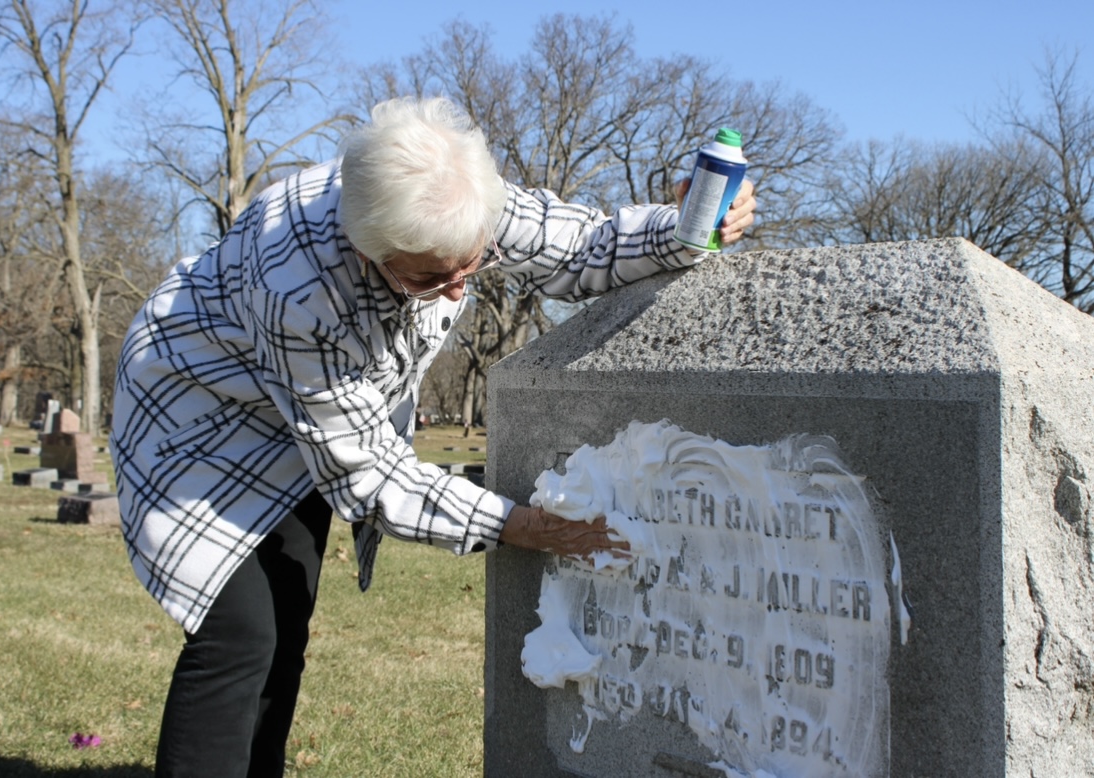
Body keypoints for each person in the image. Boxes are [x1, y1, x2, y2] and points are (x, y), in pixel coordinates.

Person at [110, 96, 756, 777]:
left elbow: (584, 247)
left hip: (299, 420)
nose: (454, 292)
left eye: (469, 266)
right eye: (426, 276)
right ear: (369, 249)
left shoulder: (457, 193)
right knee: (240, 633)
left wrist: (683, 228)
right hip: (203, 411)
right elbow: (370, 477)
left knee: (286, 618)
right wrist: (518, 524)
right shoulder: (298, 287)